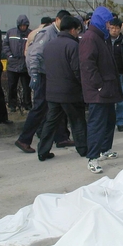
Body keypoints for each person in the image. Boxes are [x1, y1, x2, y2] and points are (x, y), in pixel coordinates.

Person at [15, 10, 72, 153]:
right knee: (40, 108)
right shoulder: (47, 33)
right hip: (42, 75)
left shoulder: (59, 33)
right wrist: (34, 74)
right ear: (57, 19)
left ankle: (61, 137)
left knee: (56, 107)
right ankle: (24, 139)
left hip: (53, 76)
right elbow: (34, 54)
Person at [80, 6, 123, 174]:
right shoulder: (90, 38)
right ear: (99, 21)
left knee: (109, 121)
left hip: (107, 89)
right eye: (106, 23)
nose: (108, 26)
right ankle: (92, 157)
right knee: (97, 124)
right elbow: (87, 66)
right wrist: (98, 85)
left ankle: (105, 149)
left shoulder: (102, 38)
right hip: (98, 91)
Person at [37, 16, 87, 161]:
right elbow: (77, 71)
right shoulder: (72, 46)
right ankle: (83, 149)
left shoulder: (50, 45)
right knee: (77, 121)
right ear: (72, 29)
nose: (77, 33)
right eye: (77, 30)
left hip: (52, 91)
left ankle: (43, 151)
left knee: (50, 122)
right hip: (70, 92)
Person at [2, 15, 32, 112]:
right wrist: (9, 56)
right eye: (21, 25)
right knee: (12, 87)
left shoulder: (30, 34)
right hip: (12, 65)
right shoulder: (11, 32)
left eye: (25, 25)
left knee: (27, 87)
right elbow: (5, 45)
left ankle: (27, 104)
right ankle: (12, 105)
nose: (23, 27)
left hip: (25, 65)